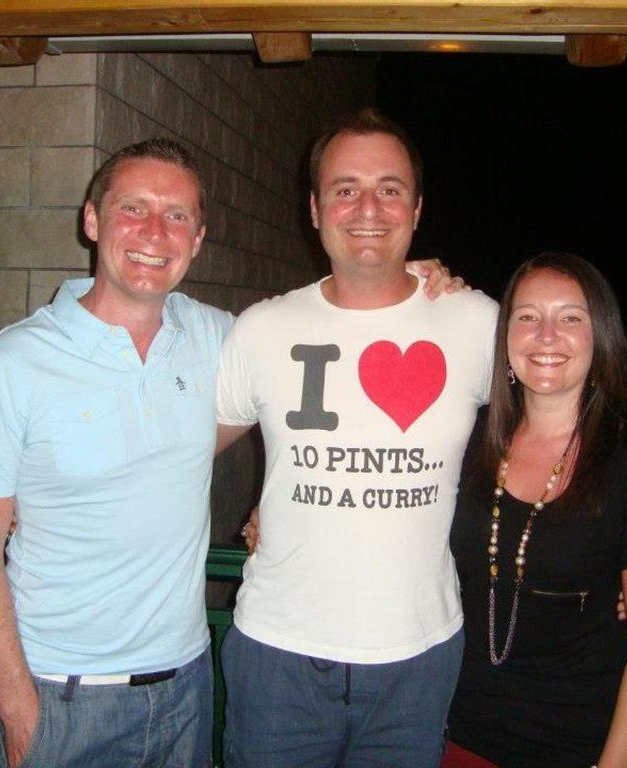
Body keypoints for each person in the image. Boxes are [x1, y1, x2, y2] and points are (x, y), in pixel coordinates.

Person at [0, 136, 459, 768]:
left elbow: (322, 373)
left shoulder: (223, 337)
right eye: (133, 207)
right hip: (59, 693)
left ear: (198, 238)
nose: (154, 232)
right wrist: (17, 706)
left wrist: (412, 275)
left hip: (186, 686)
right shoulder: (11, 362)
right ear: (92, 218)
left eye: (178, 216)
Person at [214, 108, 499, 768]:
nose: (367, 206)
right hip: (278, 660)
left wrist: (618, 561)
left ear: (417, 209)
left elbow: (565, 421)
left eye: (389, 188)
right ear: (314, 209)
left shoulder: (475, 321)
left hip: (418, 663)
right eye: (346, 188)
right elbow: (181, 451)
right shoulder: (261, 329)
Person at [446, 252, 627, 768]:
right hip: (450, 732)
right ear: (504, 337)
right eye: (527, 316)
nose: (546, 335)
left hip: (575, 746)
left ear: (600, 337)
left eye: (570, 318)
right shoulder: (465, 441)